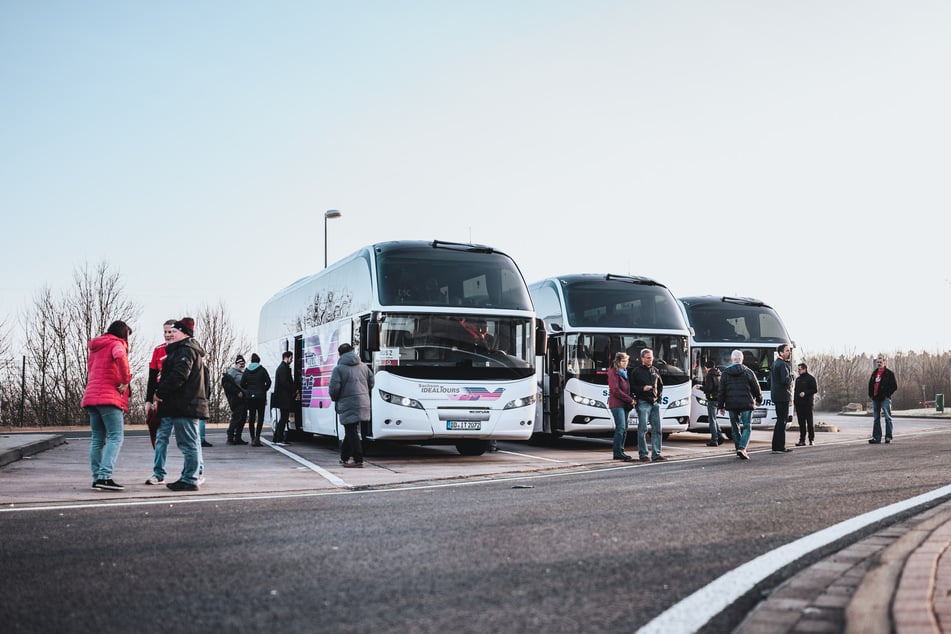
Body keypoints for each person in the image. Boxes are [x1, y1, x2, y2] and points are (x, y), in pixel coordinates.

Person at [151, 317, 209, 492]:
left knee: (188, 443)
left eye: (174, 331)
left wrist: (160, 393)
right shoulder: (185, 349)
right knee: (187, 443)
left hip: (186, 405)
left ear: (183, 333)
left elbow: (179, 375)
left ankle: (190, 479)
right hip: (183, 405)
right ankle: (187, 476)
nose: (171, 334)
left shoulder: (186, 350)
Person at [81, 320, 133, 491]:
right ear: (123, 333)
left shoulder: (96, 347)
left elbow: (91, 371)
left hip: (91, 397)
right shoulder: (117, 344)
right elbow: (120, 357)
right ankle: (105, 476)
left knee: (97, 439)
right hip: (109, 397)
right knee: (116, 436)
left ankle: (97, 478)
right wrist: (125, 381)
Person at [329, 342, 374, 468]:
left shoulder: (338, 369)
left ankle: (358, 459)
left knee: (351, 431)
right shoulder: (364, 367)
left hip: (347, 403)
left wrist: (335, 398)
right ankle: (344, 457)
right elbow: (372, 383)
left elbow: (334, 389)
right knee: (351, 430)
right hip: (363, 402)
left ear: (340, 354)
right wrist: (363, 393)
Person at [717, 349, 763, 460]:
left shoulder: (725, 373)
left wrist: (721, 406)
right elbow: (756, 387)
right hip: (746, 403)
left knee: (734, 427)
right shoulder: (748, 371)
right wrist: (759, 399)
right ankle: (742, 448)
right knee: (747, 426)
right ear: (741, 360)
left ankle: (738, 448)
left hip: (731, 404)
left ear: (732, 360)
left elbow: (721, 391)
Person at [630, 347, 666, 462]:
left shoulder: (655, 370)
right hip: (643, 402)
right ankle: (643, 455)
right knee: (643, 429)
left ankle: (656, 454)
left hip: (654, 402)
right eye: (648, 358)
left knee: (657, 429)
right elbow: (631, 387)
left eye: (651, 357)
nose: (650, 359)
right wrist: (642, 388)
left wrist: (659, 398)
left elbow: (660, 385)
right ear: (642, 358)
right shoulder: (636, 371)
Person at [144, 319, 176, 448]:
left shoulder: (184, 350)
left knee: (187, 436)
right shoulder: (158, 350)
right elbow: (152, 377)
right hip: (161, 396)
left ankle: (197, 466)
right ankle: (158, 466)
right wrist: (148, 400)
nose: (168, 335)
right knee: (162, 434)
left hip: (179, 396)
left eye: (171, 332)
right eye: (165, 332)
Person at [607, 351, 636, 461]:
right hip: (617, 404)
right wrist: (630, 400)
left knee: (624, 429)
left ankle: (621, 450)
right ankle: (617, 452)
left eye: (627, 361)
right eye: (623, 361)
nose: (625, 363)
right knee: (621, 427)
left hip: (625, 404)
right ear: (618, 361)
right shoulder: (613, 372)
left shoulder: (625, 372)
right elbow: (615, 390)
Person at [240, 353, 272, 447]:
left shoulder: (247, 370)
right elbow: (269, 382)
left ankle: (252, 438)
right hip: (260, 397)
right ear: (259, 360)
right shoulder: (262, 370)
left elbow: (242, 383)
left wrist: (249, 390)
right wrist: (263, 389)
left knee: (252, 418)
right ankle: (257, 438)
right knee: (260, 417)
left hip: (250, 397)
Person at [868, 353, 898, 444]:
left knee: (887, 418)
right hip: (875, 399)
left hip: (885, 399)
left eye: (881, 362)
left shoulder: (889, 374)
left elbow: (894, 386)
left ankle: (888, 437)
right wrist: (871, 395)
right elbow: (870, 385)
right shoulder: (874, 373)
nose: (879, 363)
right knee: (876, 418)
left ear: (884, 362)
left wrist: (887, 394)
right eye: (878, 362)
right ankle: (876, 438)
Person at [770, 343, 794, 453]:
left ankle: (776, 445)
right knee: (782, 421)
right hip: (783, 396)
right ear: (780, 353)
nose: (789, 352)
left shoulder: (775, 364)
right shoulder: (783, 365)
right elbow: (785, 380)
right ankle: (780, 446)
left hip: (776, 395)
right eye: (787, 350)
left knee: (779, 420)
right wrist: (792, 376)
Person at [272, 350, 298, 446]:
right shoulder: (283, 368)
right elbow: (285, 382)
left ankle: (277, 437)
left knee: (283, 418)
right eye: (291, 358)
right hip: (284, 398)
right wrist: (293, 389)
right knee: (283, 418)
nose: (292, 360)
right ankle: (279, 438)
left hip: (282, 397)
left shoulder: (282, 367)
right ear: (286, 358)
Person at [223, 354, 249, 444]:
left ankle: (238, 437)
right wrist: (237, 392)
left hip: (244, 398)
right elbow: (226, 385)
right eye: (241, 363)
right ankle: (230, 437)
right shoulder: (231, 372)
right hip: (236, 399)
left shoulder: (243, 372)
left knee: (242, 418)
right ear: (237, 364)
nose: (242, 365)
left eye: (243, 363)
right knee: (236, 418)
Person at [794, 362, 819, 446]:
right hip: (799, 404)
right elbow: (796, 391)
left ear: (804, 369)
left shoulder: (810, 378)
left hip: (808, 404)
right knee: (801, 423)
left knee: (809, 422)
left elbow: (814, 390)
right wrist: (795, 402)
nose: (798, 371)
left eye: (800, 369)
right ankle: (802, 440)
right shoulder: (798, 379)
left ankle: (811, 439)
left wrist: (805, 393)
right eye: (798, 369)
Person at [702, 359, 722, 447]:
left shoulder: (710, 375)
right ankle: (720, 435)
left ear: (707, 368)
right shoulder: (719, 373)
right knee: (714, 418)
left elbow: (708, 388)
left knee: (711, 420)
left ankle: (714, 440)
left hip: (712, 399)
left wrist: (701, 388)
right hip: (718, 399)